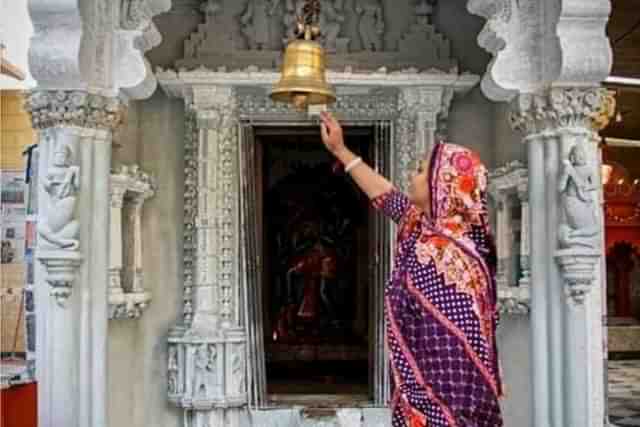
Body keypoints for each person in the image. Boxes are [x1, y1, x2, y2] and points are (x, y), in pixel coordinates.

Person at [319, 112, 503, 427]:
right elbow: (387, 197)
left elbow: (456, 349)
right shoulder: (426, 231)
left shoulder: (450, 256)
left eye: (420, 171)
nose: (412, 176)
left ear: (442, 184)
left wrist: (438, 413)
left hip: (448, 411)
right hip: (417, 400)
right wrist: (340, 150)